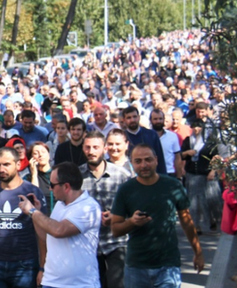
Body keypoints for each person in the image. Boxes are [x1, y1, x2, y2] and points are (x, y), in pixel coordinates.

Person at [110, 145, 203, 286]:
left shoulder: (173, 186)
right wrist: (132, 222)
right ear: (132, 163)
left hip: (168, 264)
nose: (144, 165)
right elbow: (115, 229)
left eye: (148, 160)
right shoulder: (125, 190)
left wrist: (198, 252)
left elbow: (186, 221)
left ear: (156, 160)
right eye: (138, 161)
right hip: (137, 265)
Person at [17, 162, 101, 288]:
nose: (50, 189)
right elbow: (46, 236)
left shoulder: (89, 207)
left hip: (80, 284)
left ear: (66, 186)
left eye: (52, 185)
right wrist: (36, 213)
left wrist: (33, 212)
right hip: (51, 282)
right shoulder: (60, 204)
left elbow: (59, 230)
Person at [0, 147, 46, 288]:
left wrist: (42, 268)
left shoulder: (32, 192)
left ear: (18, 165)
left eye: (6, 164)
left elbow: (42, 233)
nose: (1, 169)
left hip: (25, 265)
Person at [79, 131, 131, 288]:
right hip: (87, 244)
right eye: (88, 147)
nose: (91, 151)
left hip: (116, 241)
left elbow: (133, 208)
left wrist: (115, 217)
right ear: (83, 148)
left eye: (96, 147)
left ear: (104, 148)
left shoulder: (122, 175)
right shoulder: (76, 175)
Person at [120, 107, 165, 174]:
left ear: (139, 117)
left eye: (134, 117)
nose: (132, 120)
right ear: (124, 120)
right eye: (129, 118)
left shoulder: (151, 134)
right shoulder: (121, 137)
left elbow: (160, 158)